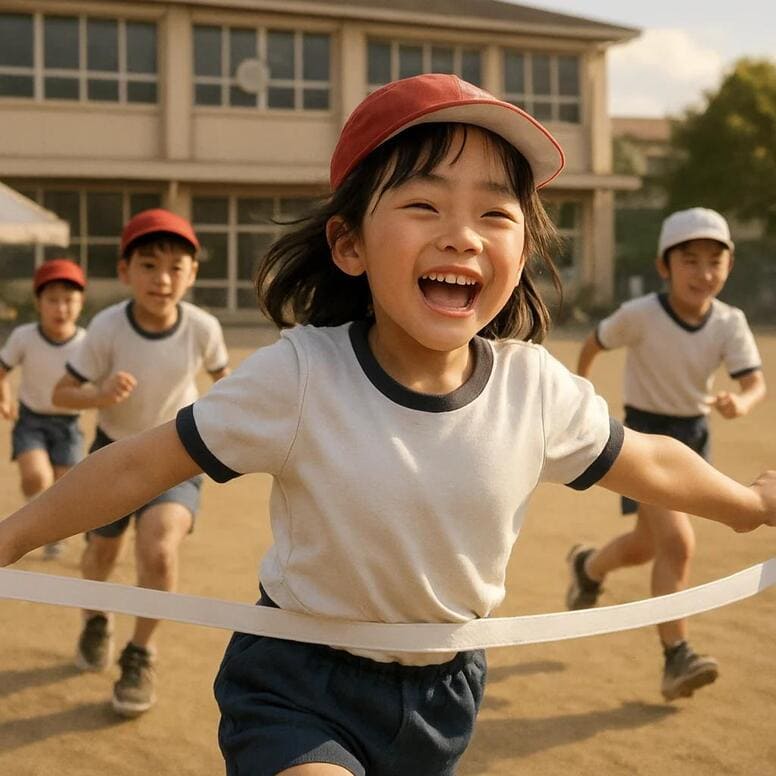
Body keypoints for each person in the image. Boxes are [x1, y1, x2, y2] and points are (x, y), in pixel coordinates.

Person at [0, 76, 774, 776]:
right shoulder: (301, 375)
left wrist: (747, 506)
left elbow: (653, 462)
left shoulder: (533, 388)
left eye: (495, 213)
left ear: (522, 250)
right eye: (424, 203)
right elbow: (139, 464)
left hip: (443, 690)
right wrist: (13, 536)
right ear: (349, 244)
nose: (463, 234)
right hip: (297, 680)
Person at [567, 206, 766, 701]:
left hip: (694, 440)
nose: (703, 273)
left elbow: (753, 381)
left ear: (729, 266)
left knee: (647, 546)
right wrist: (582, 396)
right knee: (677, 543)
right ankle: (677, 655)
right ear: (664, 266)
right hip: (646, 439)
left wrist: (740, 400)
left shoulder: (729, 322)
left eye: (714, 262)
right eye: (690, 260)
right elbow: (593, 343)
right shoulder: (640, 315)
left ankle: (587, 568)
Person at [49, 208, 230, 718]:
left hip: (176, 457)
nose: (163, 278)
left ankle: (140, 651)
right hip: (111, 454)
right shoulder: (105, 328)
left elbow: (230, 386)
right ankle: (95, 617)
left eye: (177, 267)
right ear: (125, 271)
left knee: (159, 550)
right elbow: (62, 393)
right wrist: (99, 393)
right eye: (149, 265)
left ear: (193, 274)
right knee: (102, 555)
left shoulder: (203, 327)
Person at [0, 259, 87, 560]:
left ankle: (53, 536)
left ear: (81, 303)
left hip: (69, 425)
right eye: (52, 300)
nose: (61, 308)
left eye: (69, 300)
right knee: (37, 477)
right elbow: (2, 368)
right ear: (38, 303)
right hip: (31, 421)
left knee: (66, 488)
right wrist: (5, 398)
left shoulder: (88, 343)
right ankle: (32, 522)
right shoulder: (24, 336)